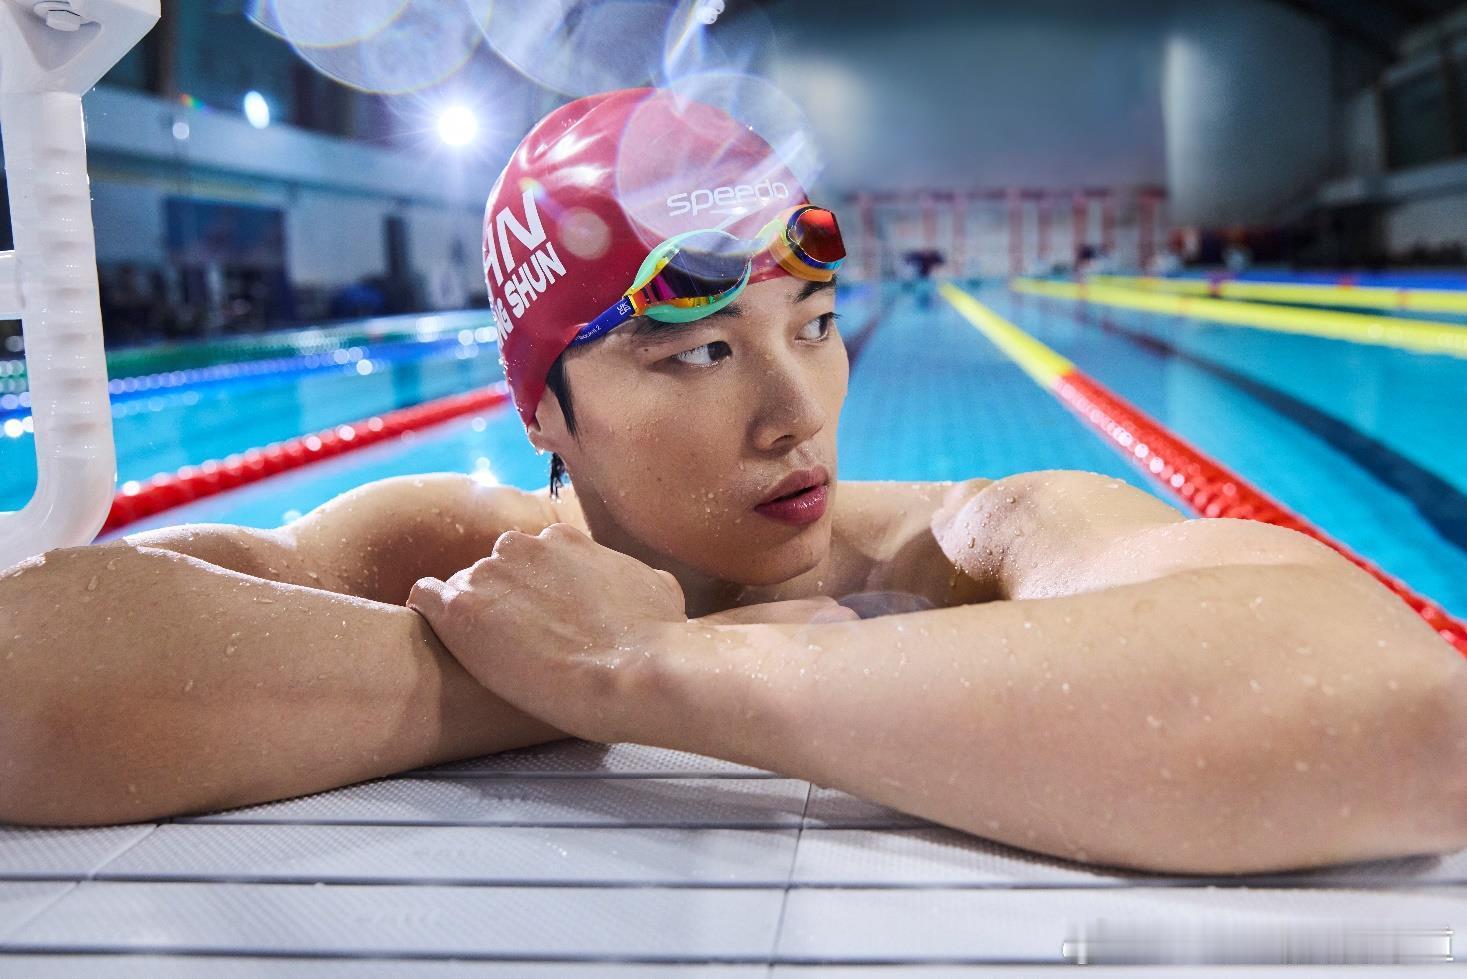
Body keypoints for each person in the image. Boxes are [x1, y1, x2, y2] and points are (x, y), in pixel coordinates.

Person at [3, 88, 1465, 876]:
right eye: (697, 353)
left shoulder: (974, 540)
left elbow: (1411, 722)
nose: (796, 413)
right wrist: (543, 668)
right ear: (545, 408)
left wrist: (651, 671)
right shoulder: (446, 547)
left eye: (814, 327)